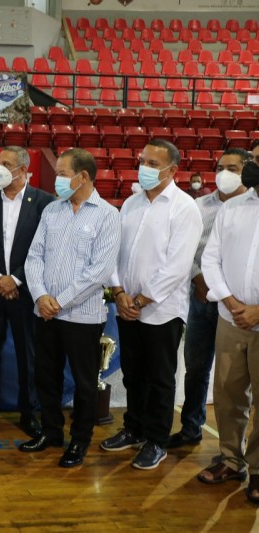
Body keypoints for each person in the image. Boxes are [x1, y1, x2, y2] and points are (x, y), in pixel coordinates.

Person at [103, 139, 203, 470]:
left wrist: (140, 299)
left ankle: (157, 440)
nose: (144, 168)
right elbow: (115, 252)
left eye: (153, 164)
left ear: (172, 170)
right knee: (133, 374)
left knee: (160, 378)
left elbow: (178, 265)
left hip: (162, 311)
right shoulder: (131, 203)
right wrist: (119, 293)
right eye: (142, 161)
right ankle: (134, 428)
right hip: (127, 306)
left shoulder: (184, 208)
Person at [19, 148, 120, 468]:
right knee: (46, 377)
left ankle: (79, 440)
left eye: (62, 174)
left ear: (83, 176)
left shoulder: (107, 215)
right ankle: (51, 431)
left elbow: (99, 272)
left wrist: (59, 301)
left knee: (84, 382)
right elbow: (34, 257)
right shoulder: (52, 210)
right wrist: (40, 296)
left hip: (82, 315)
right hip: (45, 311)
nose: (57, 180)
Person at [0, 146, 54, 436]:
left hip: (26, 292)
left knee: (27, 354)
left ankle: (29, 411)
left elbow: (45, 250)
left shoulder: (44, 203)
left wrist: (15, 280)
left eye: (6, 164)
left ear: (23, 170)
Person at [170, 149, 249, 450]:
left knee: (234, 378)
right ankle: (191, 427)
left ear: (247, 171)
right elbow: (184, 248)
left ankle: (237, 445)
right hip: (201, 298)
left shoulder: (251, 208)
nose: (224, 173)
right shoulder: (198, 206)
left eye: (233, 168)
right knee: (196, 368)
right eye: (220, 167)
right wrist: (197, 277)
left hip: (237, 305)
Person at [197, 160, 259, 500]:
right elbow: (211, 258)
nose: (254, 166)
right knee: (227, 395)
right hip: (231, 318)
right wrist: (231, 302)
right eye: (254, 159)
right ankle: (232, 460)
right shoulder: (232, 208)